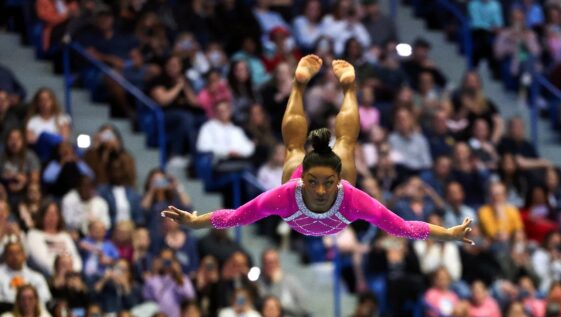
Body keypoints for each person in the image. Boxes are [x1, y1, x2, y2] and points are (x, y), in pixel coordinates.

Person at [162, 56, 474, 243]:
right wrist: (195, 221)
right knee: (312, 146)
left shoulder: (349, 196)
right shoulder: (286, 193)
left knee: (331, 145)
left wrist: (449, 234)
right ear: (304, 178)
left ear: (338, 181)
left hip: (319, 198)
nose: (322, 190)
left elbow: (403, 227)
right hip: (301, 190)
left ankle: (340, 87)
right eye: (313, 181)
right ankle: (305, 86)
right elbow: (234, 217)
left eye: (328, 182)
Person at [0, 242, 51, 307]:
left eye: (18, 253)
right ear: (5, 256)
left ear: (24, 255)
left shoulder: (36, 277)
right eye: (11, 253)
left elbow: (45, 299)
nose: (15, 256)